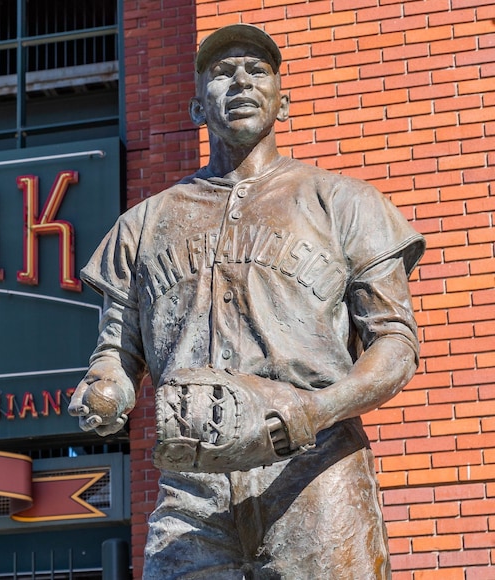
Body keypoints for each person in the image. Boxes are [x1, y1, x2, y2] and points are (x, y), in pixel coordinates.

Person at [68, 24, 425, 579]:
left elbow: (396, 345)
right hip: (192, 485)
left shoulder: (346, 203)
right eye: (221, 73)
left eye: (256, 71)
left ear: (284, 103)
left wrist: (320, 408)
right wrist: (105, 389)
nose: (239, 82)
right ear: (195, 107)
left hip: (315, 467)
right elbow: (115, 350)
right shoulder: (144, 223)